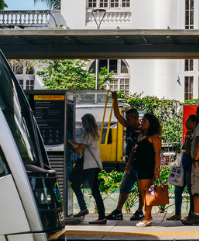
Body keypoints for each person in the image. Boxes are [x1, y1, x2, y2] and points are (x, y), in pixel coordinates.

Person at [106, 92, 144, 222]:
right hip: (130, 163)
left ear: (135, 118)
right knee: (124, 187)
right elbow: (117, 115)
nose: (127, 121)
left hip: (140, 163)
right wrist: (115, 100)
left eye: (129, 119)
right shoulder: (128, 127)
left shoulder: (143, 130)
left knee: (141, 188)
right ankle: (118, 210)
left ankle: (140, 210)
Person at [67, 113, 106, 223]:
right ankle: (83, 208)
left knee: (95, 191)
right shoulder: (95, 133)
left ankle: (102, 217)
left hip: (90, 166)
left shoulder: (88, 135)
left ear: (88, 123)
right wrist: (75, 143)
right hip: (93, 165)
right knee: (75, 184)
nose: (83, 125)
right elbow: (84, 145)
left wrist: (69, 143)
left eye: (83, 123)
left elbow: (78, 150)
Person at [134, 112, 163, 227]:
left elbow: (157, 154)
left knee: (147, 192)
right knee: (143, 192)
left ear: (152, 124)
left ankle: (147, 217)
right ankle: (147, 216)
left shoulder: (154, 137)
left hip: (148, 167)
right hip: (140, 166)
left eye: (145, 121)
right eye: (142, 120)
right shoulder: (142, 136)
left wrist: (156, 169)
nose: (142, 122)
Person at [169, 114, 197, 221]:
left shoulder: (196, 135)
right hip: (183, 165)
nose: (186, 124)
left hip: (190, 166)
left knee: (191, 191)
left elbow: (190, 152)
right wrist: (187, 137)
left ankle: (191, 214)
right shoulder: (188, 135)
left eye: (188, 122)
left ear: (194, 123)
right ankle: (177, 213)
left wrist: (189, 137)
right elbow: (183, 147)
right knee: (178, 189)